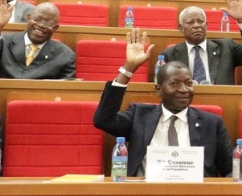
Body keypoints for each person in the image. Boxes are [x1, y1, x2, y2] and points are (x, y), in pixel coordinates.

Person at [92, 28, 233, 178]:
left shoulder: (211, 123)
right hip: (144, 195)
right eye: (175, 83)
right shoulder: (139, 115)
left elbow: (231, 169)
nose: (184, 89)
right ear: (159, 90)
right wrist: (129, 68)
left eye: (189, 83)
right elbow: (103, 120)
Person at [160, 0, 242, 85]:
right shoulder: (169, 55)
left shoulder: (226, 48)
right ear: (181, 28)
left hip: (221, 101)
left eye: (200, 21)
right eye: (191, 22)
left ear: (206, 25)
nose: (197, 25)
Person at [0, 0, 75, 80]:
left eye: (48, 23)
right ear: (28, 18)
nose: (41, 25)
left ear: (55, 28)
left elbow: (63, 93)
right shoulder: (3, 41)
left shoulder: (65, 55)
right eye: (37, 19)